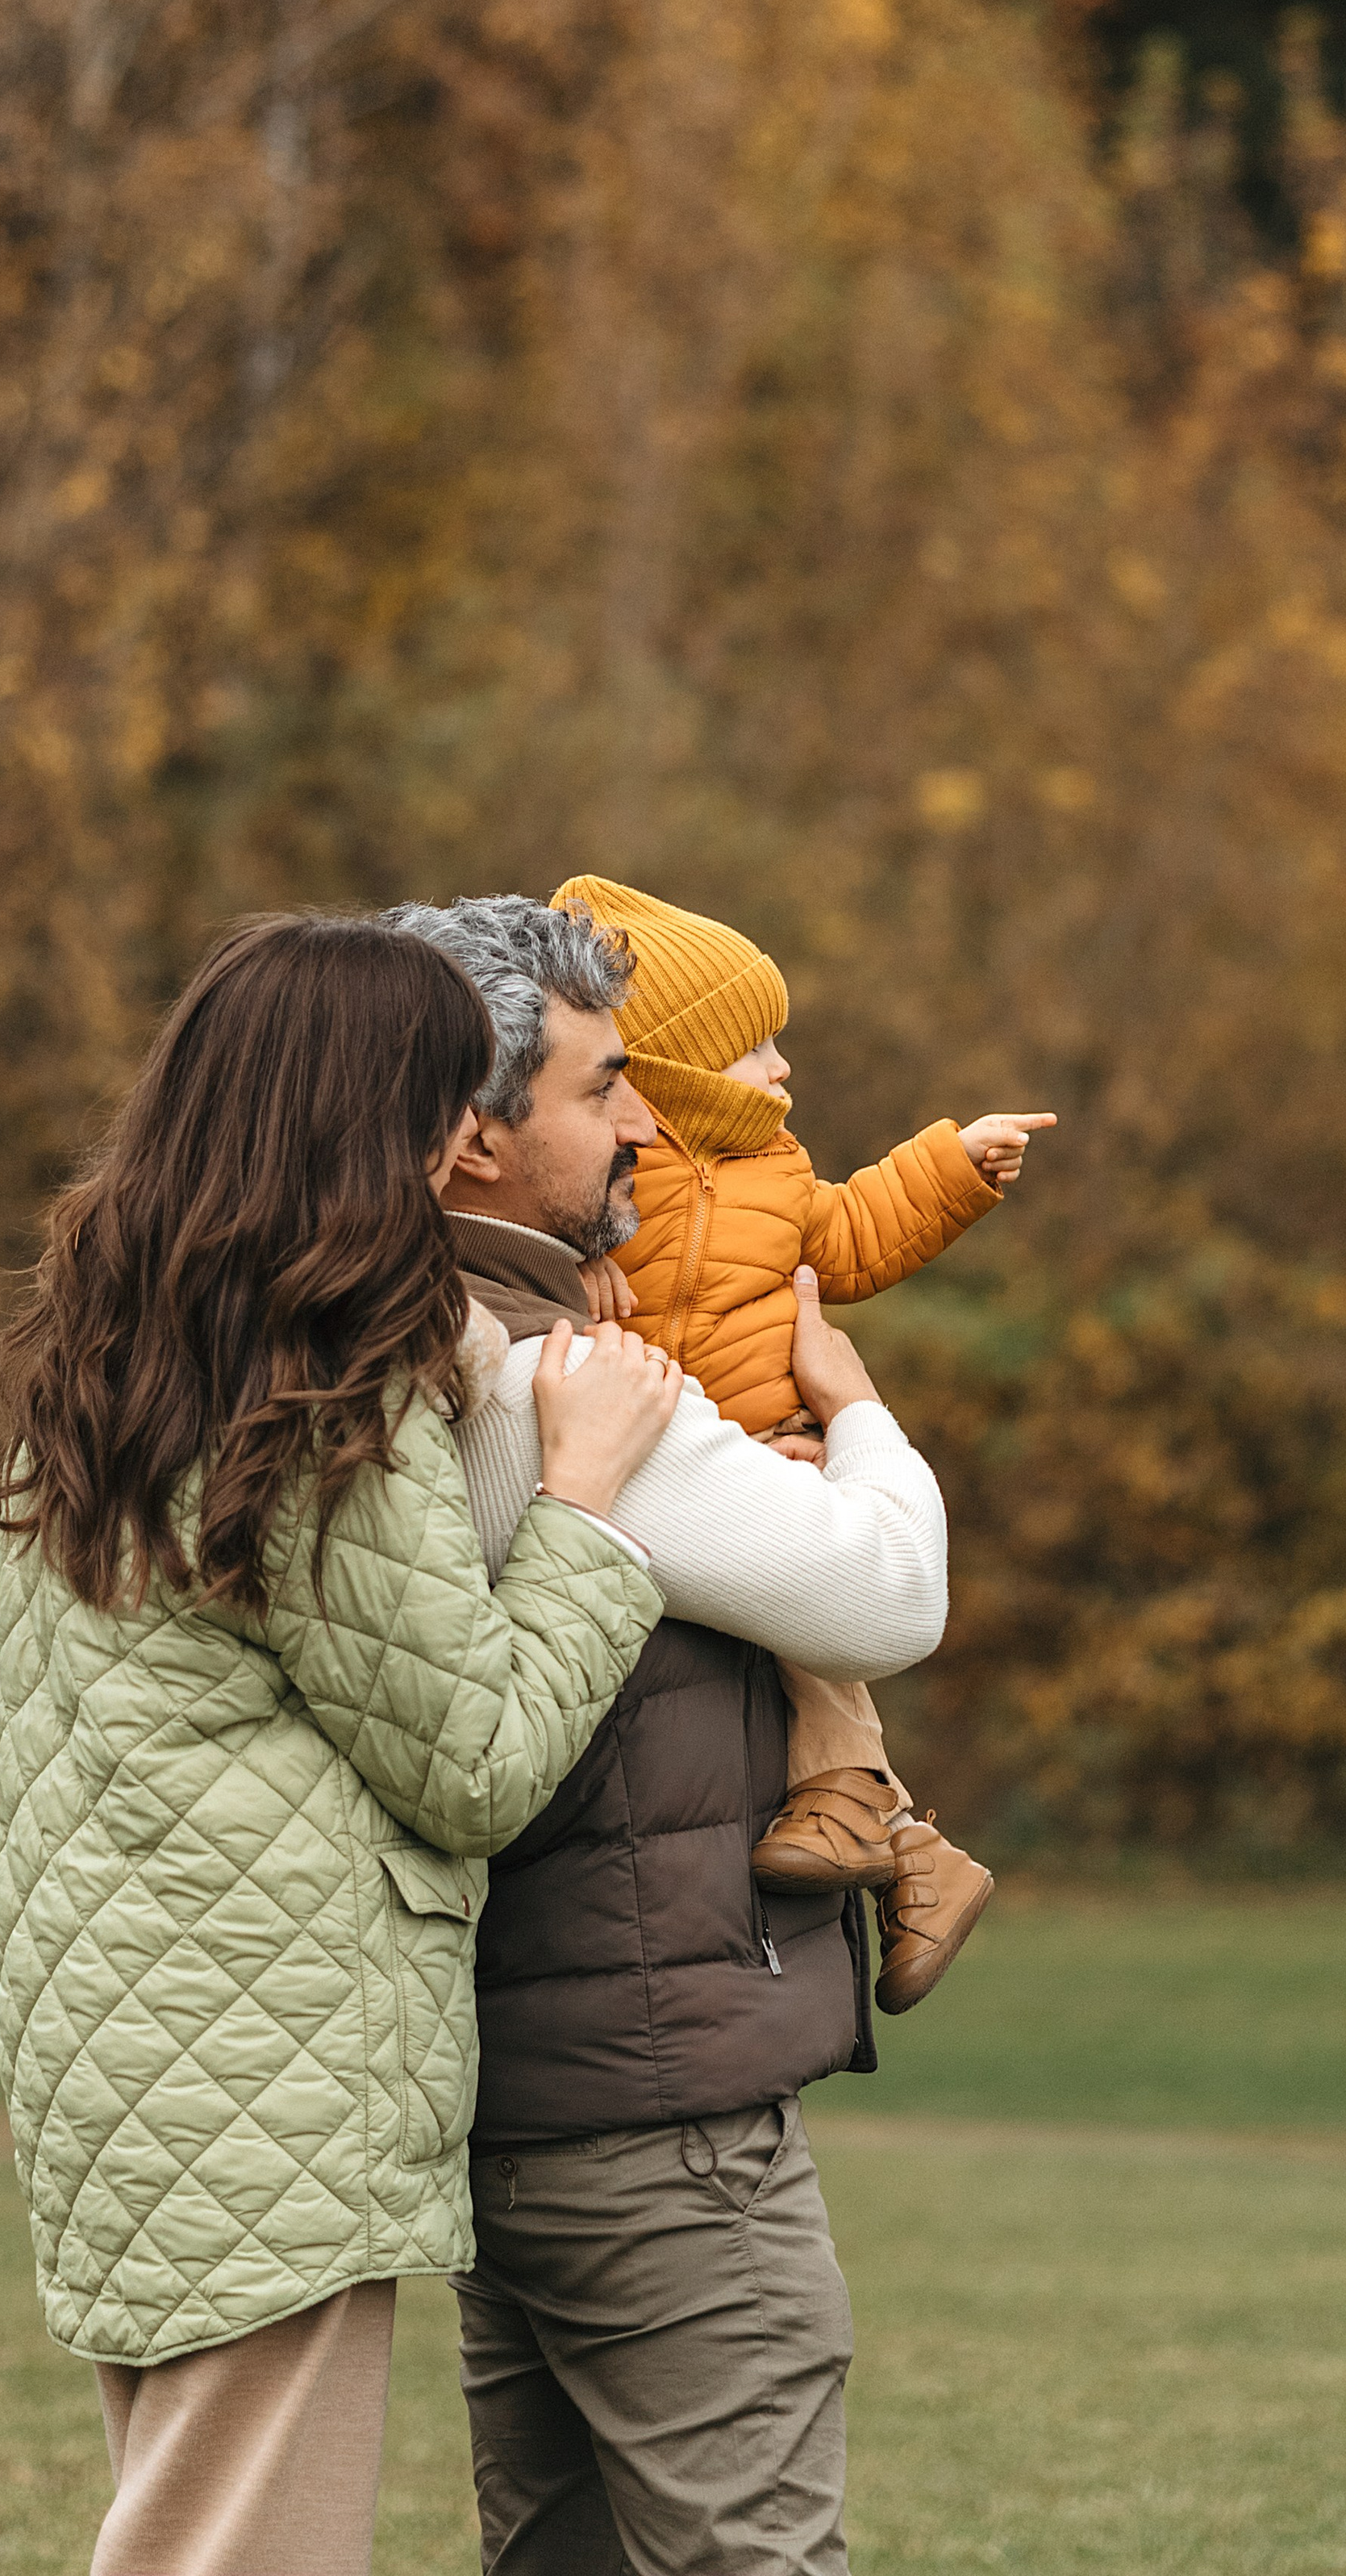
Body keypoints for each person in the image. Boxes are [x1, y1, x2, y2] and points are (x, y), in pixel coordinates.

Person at [0, 912, 680, 2576]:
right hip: (259, 2074)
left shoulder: (124, 1348)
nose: (461, 1143)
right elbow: (477, 1761)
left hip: (134, 2059)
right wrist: (583, 1504)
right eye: (443, 1104)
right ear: (371, 1123)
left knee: (192, 2529)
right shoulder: (322, 1398)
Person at [381, 892, 954, 2576]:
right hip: (659, 2115)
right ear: (470, 1135)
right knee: (748, 2554)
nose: (643, 1119)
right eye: (599, 1085)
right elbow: (883, 1598)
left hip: (503, 2091)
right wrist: (849, 1404)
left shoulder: (387, 1335)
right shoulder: (569, 1382)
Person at [548, 872, 1056, 2011]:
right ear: (670, 1066)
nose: (782, 1071)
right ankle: (911, 1849)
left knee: (805, 1626)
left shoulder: (773, 1175)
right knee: (760, 1634)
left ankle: (853, 1814)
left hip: (766, 1430)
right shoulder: (605, 1170)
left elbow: (853, 1234)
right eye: (755, 1049)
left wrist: (953, 1171)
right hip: (658, 1437)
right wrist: (572, 1256)